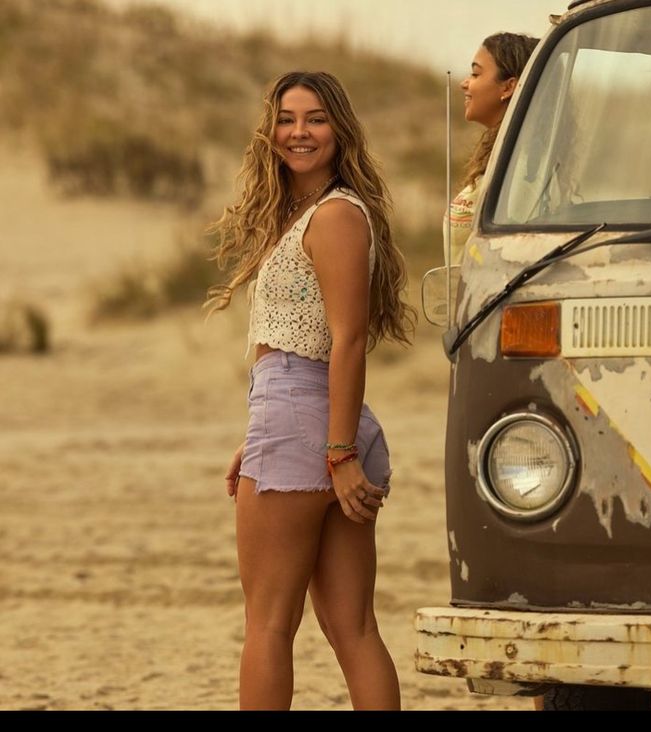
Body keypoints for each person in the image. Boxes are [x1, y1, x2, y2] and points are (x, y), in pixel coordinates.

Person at [206, 71, 414, 711]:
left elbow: (347, 342)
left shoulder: (335, 215)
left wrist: (338, 453)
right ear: (270, 132)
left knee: (269, 626)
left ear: (340, 128)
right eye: (288, 118)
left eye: (316, 118)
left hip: (313, 426)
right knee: (353, 628)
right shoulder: (307, 215)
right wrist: (261, 437)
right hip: (303, 423)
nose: (300, 132)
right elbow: (302, 345)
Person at [446, 32, 539, 264]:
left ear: (508, 88)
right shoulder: (500, 154)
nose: (464, 83)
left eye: (476, 74)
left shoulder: (525, 167)